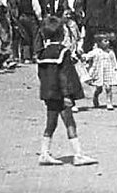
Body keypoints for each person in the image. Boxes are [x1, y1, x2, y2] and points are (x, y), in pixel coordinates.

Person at [37, 16, 96, 166]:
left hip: (48, 94)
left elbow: (41, 75)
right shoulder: (63, 52)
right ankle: (78, 154)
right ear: (62, 34)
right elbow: (65, 76)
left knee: (51, 123)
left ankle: (44, 152)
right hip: (62, 95)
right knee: (70, 123)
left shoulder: (42, 54)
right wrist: (67, 95)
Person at [83, 32, 117, 110]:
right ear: (99, 43)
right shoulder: (95, 52)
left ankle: (109, 102)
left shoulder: (110, 52)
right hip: (99, 72)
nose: (108, 43)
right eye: (105, 41)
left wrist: (115, 68)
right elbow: (87, 56)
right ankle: (95, 97)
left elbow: (114, 61)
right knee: (99, 88)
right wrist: (83, 57)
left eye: (108, 41)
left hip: (108, 72)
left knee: (108, 87)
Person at [14, 0, 43, 65]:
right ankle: (35, 54)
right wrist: (40, 18)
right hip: (30, 16)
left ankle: (26, 57)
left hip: (21, 17)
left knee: (25, 37)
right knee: (35, 36)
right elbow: (36, 6)